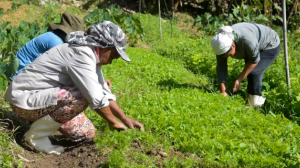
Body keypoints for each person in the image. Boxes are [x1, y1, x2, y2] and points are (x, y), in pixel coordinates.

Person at [5, 21, 144, 155]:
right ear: (103, 45)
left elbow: (103, 92)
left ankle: (39, 127)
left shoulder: (91, 55)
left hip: (40, 99)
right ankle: (34, 138)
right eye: (113, 56)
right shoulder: (81, 53)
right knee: (82, 95)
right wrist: (113, 122)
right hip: (23, 100)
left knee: (86, 133)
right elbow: (95, 97)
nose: (110, 62)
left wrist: (125, 119)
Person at [211, 22, 280, 108]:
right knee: (249, 71)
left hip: (269, 44)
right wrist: (223, 92)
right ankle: (252, 99)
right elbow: (221, 67)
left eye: (227, 54)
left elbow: (254, 61)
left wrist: (239, 79)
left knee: (254, 72)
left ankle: (255, 104)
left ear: (233, 45)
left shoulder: (247, 41)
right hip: (253, 43)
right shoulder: (221, 44)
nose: (225, 56)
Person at [12, 12, 85, 78]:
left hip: (25, 73)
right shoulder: (55, 41)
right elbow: (64, 66)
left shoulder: (53, 36)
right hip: (20, 75)